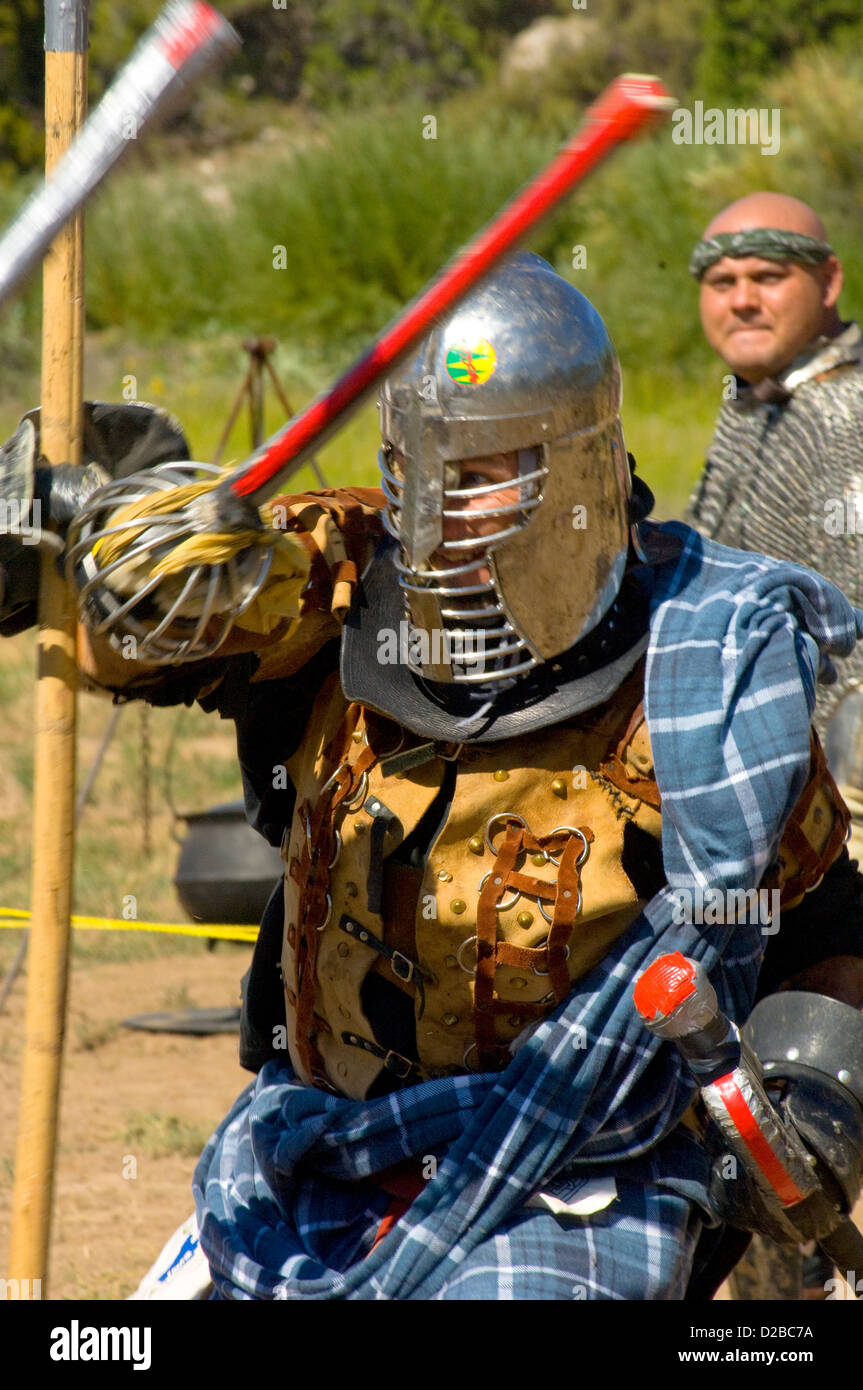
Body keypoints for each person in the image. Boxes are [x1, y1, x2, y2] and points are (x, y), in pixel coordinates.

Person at [4, 252, 863, 1301]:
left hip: (579, 1170)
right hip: (315, 1152)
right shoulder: (342, 580)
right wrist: (87, 550)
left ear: (578, 468)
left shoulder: (701, 659)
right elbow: (186, 620)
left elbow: (823, 925)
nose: (444, 512)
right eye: (423, 469)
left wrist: (815, 1092)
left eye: (488, 471)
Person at [687, 192, 863, 865]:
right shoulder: (754, 400)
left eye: (766, 278)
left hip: (824, 809)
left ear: (828, 281)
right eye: (721, 283)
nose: (741, 301)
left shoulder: (845, 414)